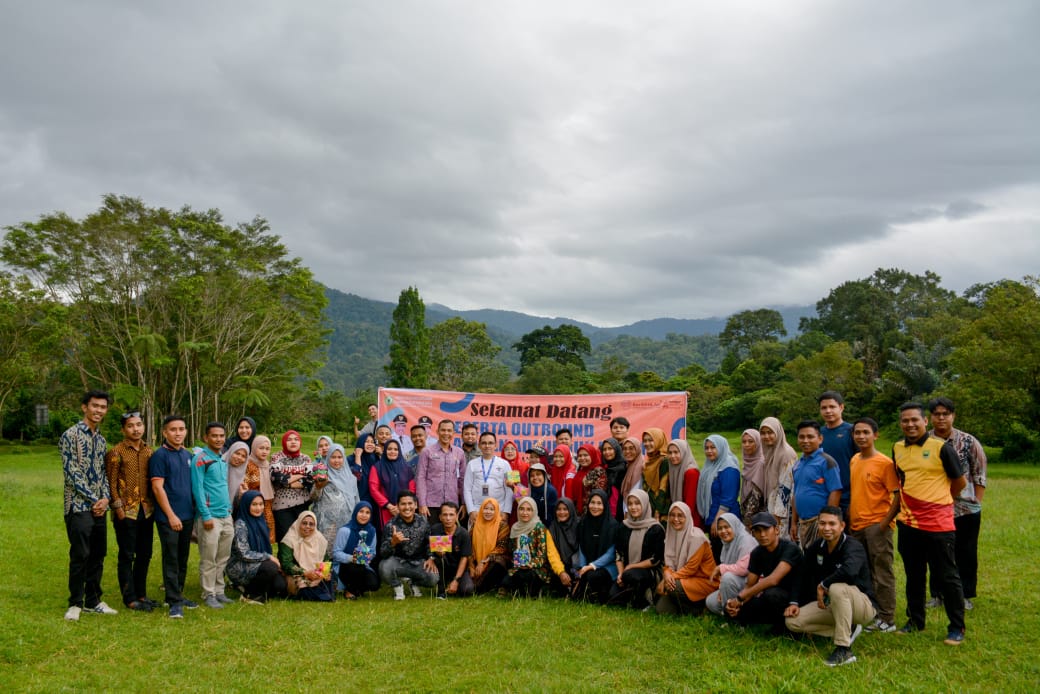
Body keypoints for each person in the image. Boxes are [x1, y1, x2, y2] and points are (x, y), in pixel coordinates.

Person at [887, 402, 967, 645]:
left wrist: (941, 503)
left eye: (914, 420)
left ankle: (956, 627)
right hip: (909, 524)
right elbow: (902, 482)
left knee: (947, 576)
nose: (910, 425)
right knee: (914, 574)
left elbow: (960, 482)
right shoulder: (897, 448)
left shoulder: (941, 448)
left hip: (938, 525)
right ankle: (915, 621)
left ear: (925, 421)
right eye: (905, 421)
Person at [785, 506, 877, 667]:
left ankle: (844, 649)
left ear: (842, 526)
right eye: (822, 523)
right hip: (833, 604)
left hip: (863, 606)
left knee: (836, 587)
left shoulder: (853, 546)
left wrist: (823, 585)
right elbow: (801, 573)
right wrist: (793, 602)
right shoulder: (817, 546)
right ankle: (849, 629)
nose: (827, 528)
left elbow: (850, 570)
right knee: (793, 622)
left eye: (832, 524)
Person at [927, 396, 987, 611]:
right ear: (930, 417)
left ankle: (965, 595)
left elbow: (979, 475)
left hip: (965, 509)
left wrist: (975, 504)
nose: (941, 418)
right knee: (937, 553)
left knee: (966, 552)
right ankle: (937, 594)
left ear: (953, 416)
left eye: (946, 414)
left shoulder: (969, 442)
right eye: (937, 414)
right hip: (934, 508)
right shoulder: (924, 442)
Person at [61, 390, 117, 621]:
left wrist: (105, 499)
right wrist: (94, 499)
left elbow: (103, 473)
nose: (99, 411)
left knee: (98, 553)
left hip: (99, 507)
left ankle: (93, 601)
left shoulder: (101, 440)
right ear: (85, 407)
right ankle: (75, 602)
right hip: (77, 506)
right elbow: (72, 473)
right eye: (95, 406)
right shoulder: (70, 435)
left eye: (103, 407)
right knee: (81, 553)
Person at [848, 417, 899, 632]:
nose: (861, 436)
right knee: (864, 571)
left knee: (882, 571)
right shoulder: (855, 460)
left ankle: (887, 618)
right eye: (857, 432)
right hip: (857, 524)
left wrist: (885, 523)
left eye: (865, 432)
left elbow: (897, 496)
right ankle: (871, 611)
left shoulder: (885, 463)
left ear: (875, 435)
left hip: (877, 524)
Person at [105, 410, 156, 612]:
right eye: (130, 426)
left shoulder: (148, 451)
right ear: (123, 429)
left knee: (145, 553)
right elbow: (111, 483)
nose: (136, 429)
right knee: (127, 554)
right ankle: (129, 597)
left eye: (138, 425)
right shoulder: (116, 452)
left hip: (147, 510)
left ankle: (141, 594)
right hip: (126, 512)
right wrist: (118, 508)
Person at [150, 415, 196, 618]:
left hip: (187, 515)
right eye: (173, 429)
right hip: (169, 517)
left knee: (183, 557)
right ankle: (173, 601)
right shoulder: (160, 456)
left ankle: (178, 593)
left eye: (181, 429)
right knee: (171, 558)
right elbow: (157, 487)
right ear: (165, 433)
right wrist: (171, 515)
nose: (178, 433)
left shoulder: (188, 455)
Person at [724, 512, 803, 631]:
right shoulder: (757, 553)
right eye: (757, 531)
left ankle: (783, 627)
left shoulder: (790, 548)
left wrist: (740, 597)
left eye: (766, 529)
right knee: (735, 609)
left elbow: (774, 580)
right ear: (753, 533)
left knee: (771, 594)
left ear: (776, 530)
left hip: (797, 597)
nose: (762, 534)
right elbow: (750, 585)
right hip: (772, 598)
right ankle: (773, 621)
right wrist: (736, 604)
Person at [191, 422, 235, 609]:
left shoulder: (221, 459)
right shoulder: (200, 459)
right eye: (214, 436)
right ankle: (208, 592)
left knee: (223, 557)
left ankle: (219, 590)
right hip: (210, 517)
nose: (218, 439)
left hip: (226, 515)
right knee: (209, 556)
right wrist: (205, 515)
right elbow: (198, 488)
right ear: (206, 437)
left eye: (221, 436)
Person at [655, 501, 716, 616]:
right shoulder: (671, 534)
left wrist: (667, 579)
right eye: (672, 515)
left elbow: (690, 569)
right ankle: (687, 605)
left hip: (705, 581)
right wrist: (667, 572)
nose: (675, 519)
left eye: (680, 515)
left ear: (687, 517)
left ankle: (700, 610)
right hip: (683, 579)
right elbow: (668, 563)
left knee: (673, 587)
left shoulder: (697, 538)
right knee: (662, 610)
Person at [499, 497, 568, 598]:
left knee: (526, 577)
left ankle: (534, 591)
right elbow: (512, 550)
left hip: (537, 568)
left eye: (529, 509)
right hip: (519, 566)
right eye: (521, 509)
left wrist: (529, 564)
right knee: (507, 580)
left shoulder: (539, 527)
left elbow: (542, 555)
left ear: (534, 511)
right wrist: (518, 562)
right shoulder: (515, 528)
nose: (525, 513)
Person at [226, 491, 287, 603]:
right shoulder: (240, 524)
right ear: (246, 504)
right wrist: (269, 558)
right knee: (270, 568)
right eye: (254, 504)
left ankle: (251, 587)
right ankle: (249, 595)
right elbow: (243, 553)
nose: (258, 508)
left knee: (280, 586)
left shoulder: (261, 521)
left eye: (261, 504)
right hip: (238, 565)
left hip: (257, 563)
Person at [610, 489, 665, 609]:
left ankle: (645, 600)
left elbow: (655, 559)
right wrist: (620, 574)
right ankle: (632, 595)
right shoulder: (624, 526)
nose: (633, 507)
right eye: (630, 504)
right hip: (627, 573)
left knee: (633, 576)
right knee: (613, 597)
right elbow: (619, 554)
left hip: (650, 572)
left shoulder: (655, 529)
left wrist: (631, 567)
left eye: (637, 503)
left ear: (645, 504)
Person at [790, 420, 842, 549]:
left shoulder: (827, 462)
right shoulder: (798, 464)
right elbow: (796, 494)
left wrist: (827, 523)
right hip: (803, 523)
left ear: (820, 438)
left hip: (819, 523)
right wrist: (793, 523)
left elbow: (835, 491)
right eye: (802, 437)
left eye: (810, 437)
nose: (805, 440)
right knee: (808, 561)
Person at [379, 491, 438, 600]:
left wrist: (431, 558)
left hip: (418, 563)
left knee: (433, 578)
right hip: (398, 563)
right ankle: (398, 586)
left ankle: (413, 583)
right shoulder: (391, 525)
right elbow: (383, 553)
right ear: (397, 506)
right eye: (403, 504)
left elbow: (429, 542)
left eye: (410, 503)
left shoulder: (423, 522)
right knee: (384, 568)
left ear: (415, 505)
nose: (407, 507)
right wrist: (393, 542)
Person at [705, 513, 758, 616]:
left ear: (734, 526)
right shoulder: (727, 544)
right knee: (710, 602)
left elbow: (743, 569)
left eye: (727, 527)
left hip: (753, 586)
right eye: (720, 528)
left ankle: (734, 617)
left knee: (728, 577)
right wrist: (722, 590)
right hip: (738, 584)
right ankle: (734, 610)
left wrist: (721, 568)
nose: (723, 531)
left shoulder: (746, 540)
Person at [571, 489, 618, 603]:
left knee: (592, 576)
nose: (595, 506)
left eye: (599, 503)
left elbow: (611, 554)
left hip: (608, 567)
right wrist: (583, 567)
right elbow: (582, 547)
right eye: (592, 502)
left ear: (605, 505)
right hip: (588, 566)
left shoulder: (613, 525)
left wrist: (591, 566)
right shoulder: (583, 523)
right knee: (582, 577)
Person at [699, 434, 740, 561]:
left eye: (713, 447)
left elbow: (728, 498)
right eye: (706, 448)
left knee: (724, 558)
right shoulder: (710, 466)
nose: (709, 451)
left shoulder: (729, 468)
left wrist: (717, 521)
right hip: (713, 518)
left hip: (724, 520)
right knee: (716, 557)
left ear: (721, 448)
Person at [269, 430, 315, 541]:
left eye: (296, 439)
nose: (293, 442)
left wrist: (287, 482)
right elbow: (276, 478)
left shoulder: (306, 458)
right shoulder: (277, 457)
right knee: (286, 539)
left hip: (302, 505)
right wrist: (300, 475)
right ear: (284, 442)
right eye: (289, 440)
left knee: (301, 539)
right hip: (282, 506)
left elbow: (309, 480)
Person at [279, 511, 334, 602]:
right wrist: (305, 572)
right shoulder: (289, 540)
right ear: (298, 523)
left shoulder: (319, 539)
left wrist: (325, 572)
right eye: (304, 523)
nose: (308, 526)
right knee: (303, 586)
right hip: (298, 574)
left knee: (331, 576)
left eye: (311, 524)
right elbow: (286, 564)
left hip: (316, 574)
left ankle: (321, 593)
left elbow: (325, 560)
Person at [313, 443, 360, 549]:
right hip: (327, 525)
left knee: (345, 549)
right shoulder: (323, 475)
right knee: (328, 553)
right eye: (333, 457)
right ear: (328, 458)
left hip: (347, 522)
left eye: (339, 457)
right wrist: (318, 487)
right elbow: (314, 498)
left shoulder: (351, 478)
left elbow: (356, 500)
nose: (336, 460)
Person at [416, 419, 466, 519]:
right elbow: (420, 478)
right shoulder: (427, 452)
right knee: (432, 534)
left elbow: (462, 480)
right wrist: (422, 503)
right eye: (443, 430)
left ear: (453, 433)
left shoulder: (459, 453)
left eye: (449, 430)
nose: (446, 433)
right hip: (431, 505)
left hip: (452, 505)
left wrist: (464, 503)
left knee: (451, 534)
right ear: (437, 431)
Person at [818, 391, 858, 517]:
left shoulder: (852, 432)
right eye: (824, 408)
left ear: (841, 407)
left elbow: (860, 465)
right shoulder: (818, 434)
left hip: (848, 497)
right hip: (823, 496)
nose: (828, 411)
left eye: (832, 407)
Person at [331, 501, 380, 599]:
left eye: (367, 512)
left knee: (374, 584)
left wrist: (367, 556)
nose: (364, 515)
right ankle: (349, 590)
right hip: (345, 566)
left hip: (363, 565)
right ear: (355, 512)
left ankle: (356, 588)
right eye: (361, 511)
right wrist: (352, 558)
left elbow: (373, 552)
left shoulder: (372, 531)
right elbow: (336, 553)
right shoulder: (345, 530)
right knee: (355, 568)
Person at [463, 432, 513, 523]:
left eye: (490, 443)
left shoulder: (505, 464)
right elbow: (467, 489)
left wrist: (506, 511)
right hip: (477, 510)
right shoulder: (471, 464)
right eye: (484, 443)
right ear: (479, 445)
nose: (487, 446)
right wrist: (471, 510)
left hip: (499, 510)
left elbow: (510, 490)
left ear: (495, 445)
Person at [429, 501, 474, 598]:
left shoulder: (463, 533)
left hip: (459, 568)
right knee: (438, 559)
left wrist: (456, 580)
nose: (448, 518)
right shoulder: (436, 529)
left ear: (456, 516)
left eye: (451, 515)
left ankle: (453, 583)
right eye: (445, 515)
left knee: (467, 590)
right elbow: (433, 552)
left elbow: (464, 558)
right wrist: (436, 553)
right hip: (443, 566)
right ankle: (441, 591)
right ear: (440, 517)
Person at [761, 417, 798, 537]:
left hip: (783, 513)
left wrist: (777, 516)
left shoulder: (786, 453)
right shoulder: (770, 451)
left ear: (778, 432)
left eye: (770, 432)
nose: (767, 436)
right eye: (763, 433)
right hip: (773, 506)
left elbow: (786, 487)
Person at [469, 498, 511, 594]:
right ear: (481, 510)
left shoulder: (502, 526)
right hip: (476, 560)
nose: (488, 512)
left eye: (492, 509)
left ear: (496, 511)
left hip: (492, 561)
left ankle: (483, 587)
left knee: (498, 562)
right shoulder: (475, 525)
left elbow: (501, 547)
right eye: (485, 508)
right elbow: (469, 547)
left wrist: (483, 562)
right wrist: (471, 566)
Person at [370, 440, 416, 527]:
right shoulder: (377, 467)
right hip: (386, 509)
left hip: (405, 508)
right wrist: (389, 506)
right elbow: (373, 489)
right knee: (389, 535)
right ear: (385, 451)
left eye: (395, 449)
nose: (392, 452)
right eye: (389, 449)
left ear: (399, 451)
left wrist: (403, 505)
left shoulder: (407, 468)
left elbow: (412, 489)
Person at [242, 435, 276, 543]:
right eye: (261, 448)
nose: (264, 451)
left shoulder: (269, 465)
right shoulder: (248, 464)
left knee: (266, 535)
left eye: (267, 449)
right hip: (253, 506)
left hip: (267, 506)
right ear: (254, 447)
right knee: (253, 535)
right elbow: (244, 486)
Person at [547, 498, 580, 595]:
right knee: (556, 582)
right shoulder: (553, 528)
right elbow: (552, 554)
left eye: (565, 509)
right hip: (562, 567)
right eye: (559, 509)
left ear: (571, 510)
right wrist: (561, 572)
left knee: (580, 580)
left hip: (579, 566)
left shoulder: (580, 525)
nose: (562, 512)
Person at [666, 439, 701, 527]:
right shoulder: (674, 468)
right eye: (670, 453)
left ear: (684, 452)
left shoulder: (691, 472)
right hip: (679, 517)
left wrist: (682, 521)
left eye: (676, 452)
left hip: (689, 520)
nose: (672, 456)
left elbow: (690, 503)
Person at [573, 444, 612, 516]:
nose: (582, 458)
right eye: (580, 456)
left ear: (592, 455)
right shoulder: (581, 470)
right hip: (578, 513)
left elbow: (599, 496)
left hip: (592, 512)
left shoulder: (599, 471)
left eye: (586, 455)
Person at [641, 428, 671, 520]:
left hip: (660, 512)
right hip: (649, 508)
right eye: (645, 441)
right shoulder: (649, 461)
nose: (647, 444)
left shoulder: (665, 461)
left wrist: (658, 511)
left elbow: (663, 488)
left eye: (650, 440)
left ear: (659, 440)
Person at [739, 429, 767, 521]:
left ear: (758, 443)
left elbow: (757, 495)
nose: (746, 445)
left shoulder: (761, 463)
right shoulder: (747, 462)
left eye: (751, 441)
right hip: (745, 511)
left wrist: (748, 520)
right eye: (744, 442)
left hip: (757, 517)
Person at [617, 437, 646, 520]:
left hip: (634, 514)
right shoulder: (629, 465)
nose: (627, 452)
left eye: (631, 448)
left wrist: (627, 513)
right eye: (625, 449)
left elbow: (635, 492)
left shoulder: (640, 467)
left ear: (637, 449)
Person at [351, 433, 380, 507]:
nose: (370, 444)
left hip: (376, 501)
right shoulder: (350, 459)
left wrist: (381, 455)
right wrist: (358, 456)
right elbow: (356, 478)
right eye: (366, 441)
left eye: (372, 442)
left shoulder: (376, 458)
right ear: (360, 442)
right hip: (359, 500)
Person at [224, 441, 250, 515]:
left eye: (243, 456)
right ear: (231, 451)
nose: (239, 457)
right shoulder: (218, 466)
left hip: (230, 515)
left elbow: (237, 505)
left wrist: (241, 496)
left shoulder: (243, 476)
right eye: (237, 453)